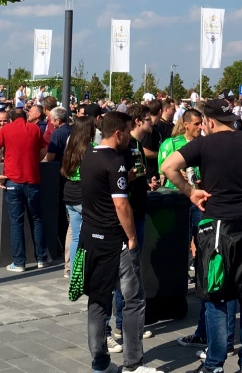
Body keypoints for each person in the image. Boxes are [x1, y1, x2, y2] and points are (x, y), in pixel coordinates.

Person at [161, 99, 242, 373]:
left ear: (207, 122)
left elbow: (168, 167)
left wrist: (189, 191)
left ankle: (215, 364)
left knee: (217, 294)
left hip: (217, 226)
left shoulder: (203, 144)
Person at [79, 110, 161, 373]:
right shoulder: (115, 161)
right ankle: (133, 364)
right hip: (115, 240)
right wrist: (132, 237)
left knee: (97, 299)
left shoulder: (88, 156)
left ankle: (100, 363)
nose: (129, 136)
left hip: (90, 236)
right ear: (118, 133)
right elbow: (120, 204)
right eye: (127, 131)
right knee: (134, 298)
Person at [0, 106, 49, 272]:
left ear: (10, 119)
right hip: (32, 180)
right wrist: (33, 161)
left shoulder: (6, 129)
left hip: (13, 180)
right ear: (26, 116)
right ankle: (42, 258)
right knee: (36, 219)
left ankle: (19, 262)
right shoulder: (35, 128)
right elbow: (44, 151)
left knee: (16, 222)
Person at [61, 114, 97, 279]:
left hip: (69, 193)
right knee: (90, 236)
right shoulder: (92, 148)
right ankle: (87, 272)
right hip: (85, 194)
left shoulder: (70, 147)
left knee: (76, 236)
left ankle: (75, 272)